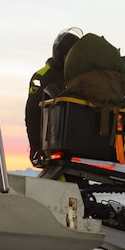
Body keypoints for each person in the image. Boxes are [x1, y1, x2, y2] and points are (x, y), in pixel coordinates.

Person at [24, 27, 83, 168]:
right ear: (60, 54)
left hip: (76, 146)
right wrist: (36, 146)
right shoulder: (42, 77)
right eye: (67, 55)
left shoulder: (80, 77)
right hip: (51, 144)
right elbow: (32, 114)